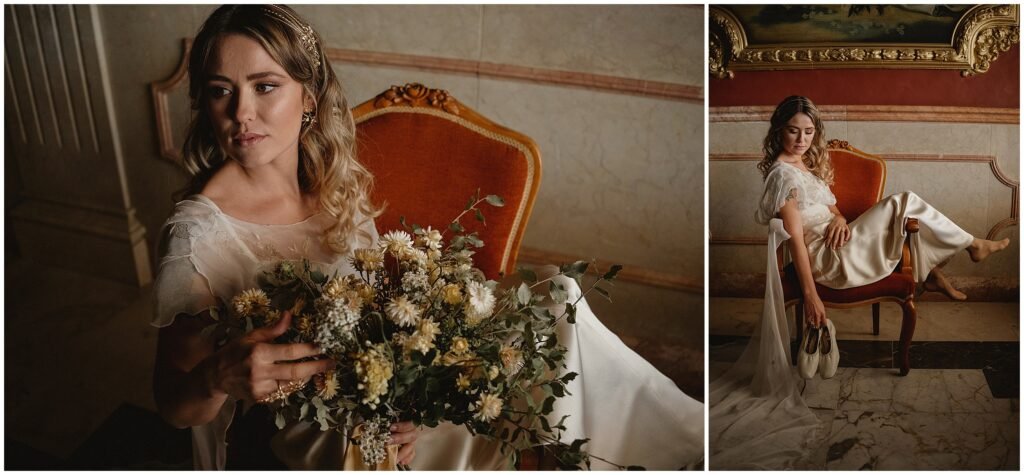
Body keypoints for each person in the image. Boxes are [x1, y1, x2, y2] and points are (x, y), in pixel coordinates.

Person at [151, 5, 704, 470]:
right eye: (221, 91)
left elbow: (380, 315)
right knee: (518, 417)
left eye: (264, 86)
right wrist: (217, 374)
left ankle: (685, 449)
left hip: (386, 402)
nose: (241, 113)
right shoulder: (199, 235)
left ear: (309, 96)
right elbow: (174, 404)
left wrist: (414, 397)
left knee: (559, 300)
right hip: (318, 435)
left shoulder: (333, 186)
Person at [709, 95, 1010, 469]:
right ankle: (960, 253)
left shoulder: (803, 165)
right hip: (827, 259)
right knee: (904, 201)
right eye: (792, 131)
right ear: (778, 131)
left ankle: (936, 269)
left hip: (841, 237)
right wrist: (811, 296)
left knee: (904, 211)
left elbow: (829, 206)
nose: (801, 139)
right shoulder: (781, 175)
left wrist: (837, 219)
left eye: (808, 131)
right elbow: (797, 240)